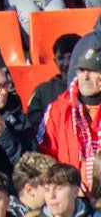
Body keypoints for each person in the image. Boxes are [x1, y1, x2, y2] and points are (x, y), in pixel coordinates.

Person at [37, 43, 101, 182]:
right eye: (81, 70)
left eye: (92, 71)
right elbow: (44, 156)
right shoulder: (58, 110)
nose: (85, 77)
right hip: (71, 196)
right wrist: (66, 185)